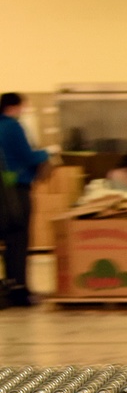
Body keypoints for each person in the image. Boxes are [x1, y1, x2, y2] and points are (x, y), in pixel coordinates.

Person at [0, 92, 50, 307]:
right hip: (15, 192)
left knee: (6, 241)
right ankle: (20, 291)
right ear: (14, 106)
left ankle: (9, 287)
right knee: (18, 242)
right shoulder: (12, 126)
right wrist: (46, 154)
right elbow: (28, 156)